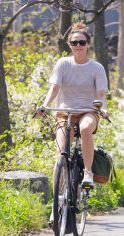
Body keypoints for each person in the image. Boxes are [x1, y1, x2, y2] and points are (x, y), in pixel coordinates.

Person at [38, 22, 109, 187]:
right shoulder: (63, 63)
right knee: (62, 150)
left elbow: (100, 94)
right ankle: (59, 198)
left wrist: (103, 109)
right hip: (64, 112)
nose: (78, 45)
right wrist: (44, 105)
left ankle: (88, 172)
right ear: (69, 45)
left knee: (85, 129)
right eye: (74, 42)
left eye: (82, 42)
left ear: (88, 45)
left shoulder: (96, 68)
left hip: (88, 111)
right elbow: (54, 88)